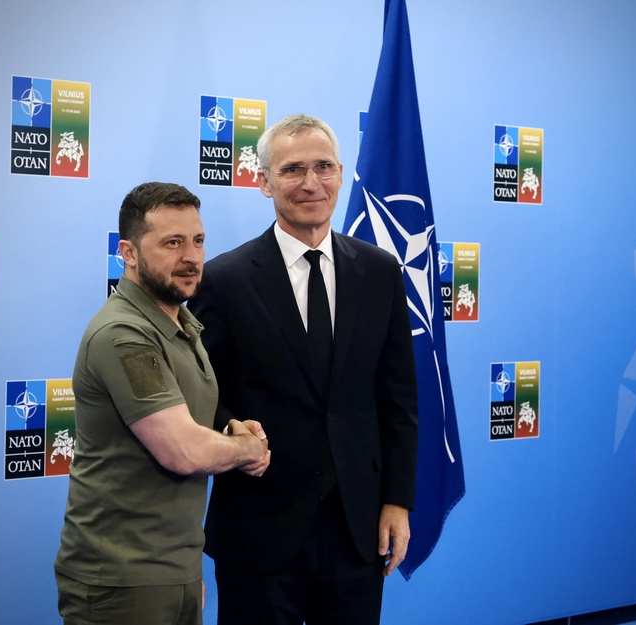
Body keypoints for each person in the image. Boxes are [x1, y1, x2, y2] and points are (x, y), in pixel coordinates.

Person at [188, 115, 418, 625]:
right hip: (259, 527)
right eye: (292, 169)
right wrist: (229, 427)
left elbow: (399, 399)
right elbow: (198, 390)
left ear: (340, 174)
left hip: (358, 529)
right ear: (264, 181)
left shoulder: (381, 271)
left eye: (323, 167)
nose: (311, 183)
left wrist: (397, 501)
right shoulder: (223, 280)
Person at [54, 182, 270, 625]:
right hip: (123, 581)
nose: (191, 257)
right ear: (128, 253)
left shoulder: (182, 322)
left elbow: (188, 421)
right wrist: (248, 449)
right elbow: (182, 450)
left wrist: (228, 429)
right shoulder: (124, 335)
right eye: (172, 243)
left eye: (198, 241)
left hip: (173, 572)